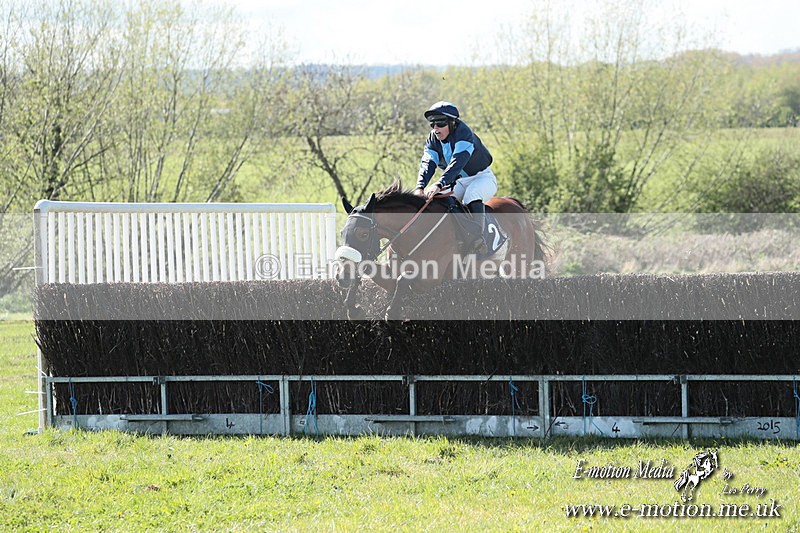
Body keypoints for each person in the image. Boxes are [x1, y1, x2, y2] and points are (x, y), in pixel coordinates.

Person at [414, 101, 497, 254]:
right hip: (458, 180)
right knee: (436, 200)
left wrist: (439, 183)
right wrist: (420, 187)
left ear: (453, 123)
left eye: (440, 123)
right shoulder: (433, 139)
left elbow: (457, 162)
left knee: (472, 195)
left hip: (482, 178)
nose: (436, 129)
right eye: (432, 124)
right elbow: (427, 163)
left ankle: (479, 240)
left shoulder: (464, 133)